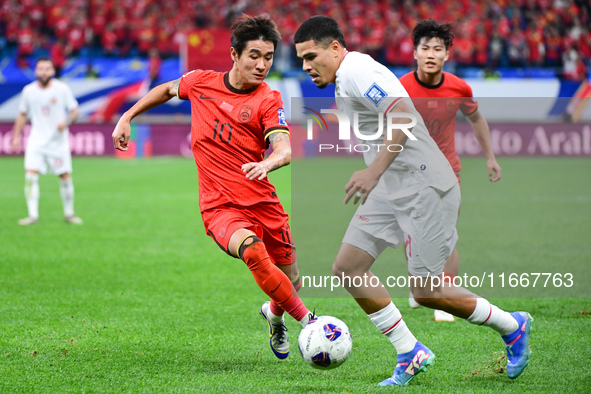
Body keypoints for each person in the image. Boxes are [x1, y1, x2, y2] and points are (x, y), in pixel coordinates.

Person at [294, 16, 531, 386]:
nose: (306, 66)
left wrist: (371, 173)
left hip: (424, 186)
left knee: (427, 291)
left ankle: (512, 325)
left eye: (311, 56)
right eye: (301, 60)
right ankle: (410, 351)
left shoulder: (356, 70)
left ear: (335, 48)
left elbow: (402, 117)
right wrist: (378, 175)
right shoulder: (346, 78)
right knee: (348, 267)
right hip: (392, 187)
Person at [112, 15, 313, 360]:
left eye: (268, 57)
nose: (262, 64)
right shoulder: (201, 83)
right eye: (254, 56)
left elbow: (283, 147)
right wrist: (127, 116)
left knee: (291, 277)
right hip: (219, 206)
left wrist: (269, 162)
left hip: (263, 203)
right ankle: (311, 323)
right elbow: (166, 89)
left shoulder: (269, 99)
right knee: (251, 250)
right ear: (234, 54)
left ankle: (274, 316)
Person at [399, 19, 502, 322]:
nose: (431, 54)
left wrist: (490, 157)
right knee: (413, 231)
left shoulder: (459, 87)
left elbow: (477, 119)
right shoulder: (400, 87)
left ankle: (446, 289)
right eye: (425, 48)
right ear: (414, 53)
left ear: (446, 55)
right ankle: (421, 284)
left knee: (446, 234)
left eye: (438, 49)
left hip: (446, 172)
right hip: (409, 172)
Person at [11, 58, 82, 225]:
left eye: (47, 69)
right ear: (36, 71)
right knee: (30, 175)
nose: (44, 72)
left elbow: (74, 111)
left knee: (64, 175)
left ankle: (69, 213)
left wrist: (65, 122)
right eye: (40, 69)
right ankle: (32, 215)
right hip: (36, 140)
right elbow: (22, 114)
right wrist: (16, 136)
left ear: (53, 71)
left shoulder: (62, 89)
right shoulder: (28, 91)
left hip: (58, 142)